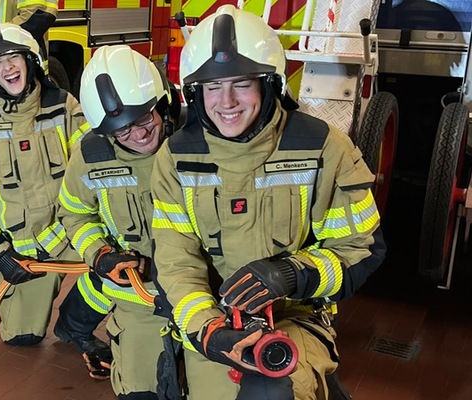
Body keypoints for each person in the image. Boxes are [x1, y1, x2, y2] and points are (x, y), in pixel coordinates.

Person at [150, 5, 386, 400]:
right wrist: (208, 328)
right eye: (212, 86)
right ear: (195, 93)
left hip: (294, 316)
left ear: (270, 84)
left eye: (241, 84)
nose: (226, 101)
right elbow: (176, 260)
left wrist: (292, 274)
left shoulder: (324, 148)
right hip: (212, 319)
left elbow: (361, 249)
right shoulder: (176, 157)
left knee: (272, 391)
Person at [0, 21, 112, 378]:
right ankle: (9, 293)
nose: (8, 67)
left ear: (31, 60)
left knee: (118, 270)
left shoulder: (64, 106)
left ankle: (74, 323)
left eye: (14, 57)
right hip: (23, 253)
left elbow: (96, 165)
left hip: (72, 234)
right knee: (22, 337)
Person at [57, 45, 179, 399]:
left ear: (162, 104)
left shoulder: (195, 146)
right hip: (135, 293)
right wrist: (99, 255)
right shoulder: (91, 157)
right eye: (122, 131)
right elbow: (74, 213)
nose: (138, 135)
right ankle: (73, 325)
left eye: (144, 119)